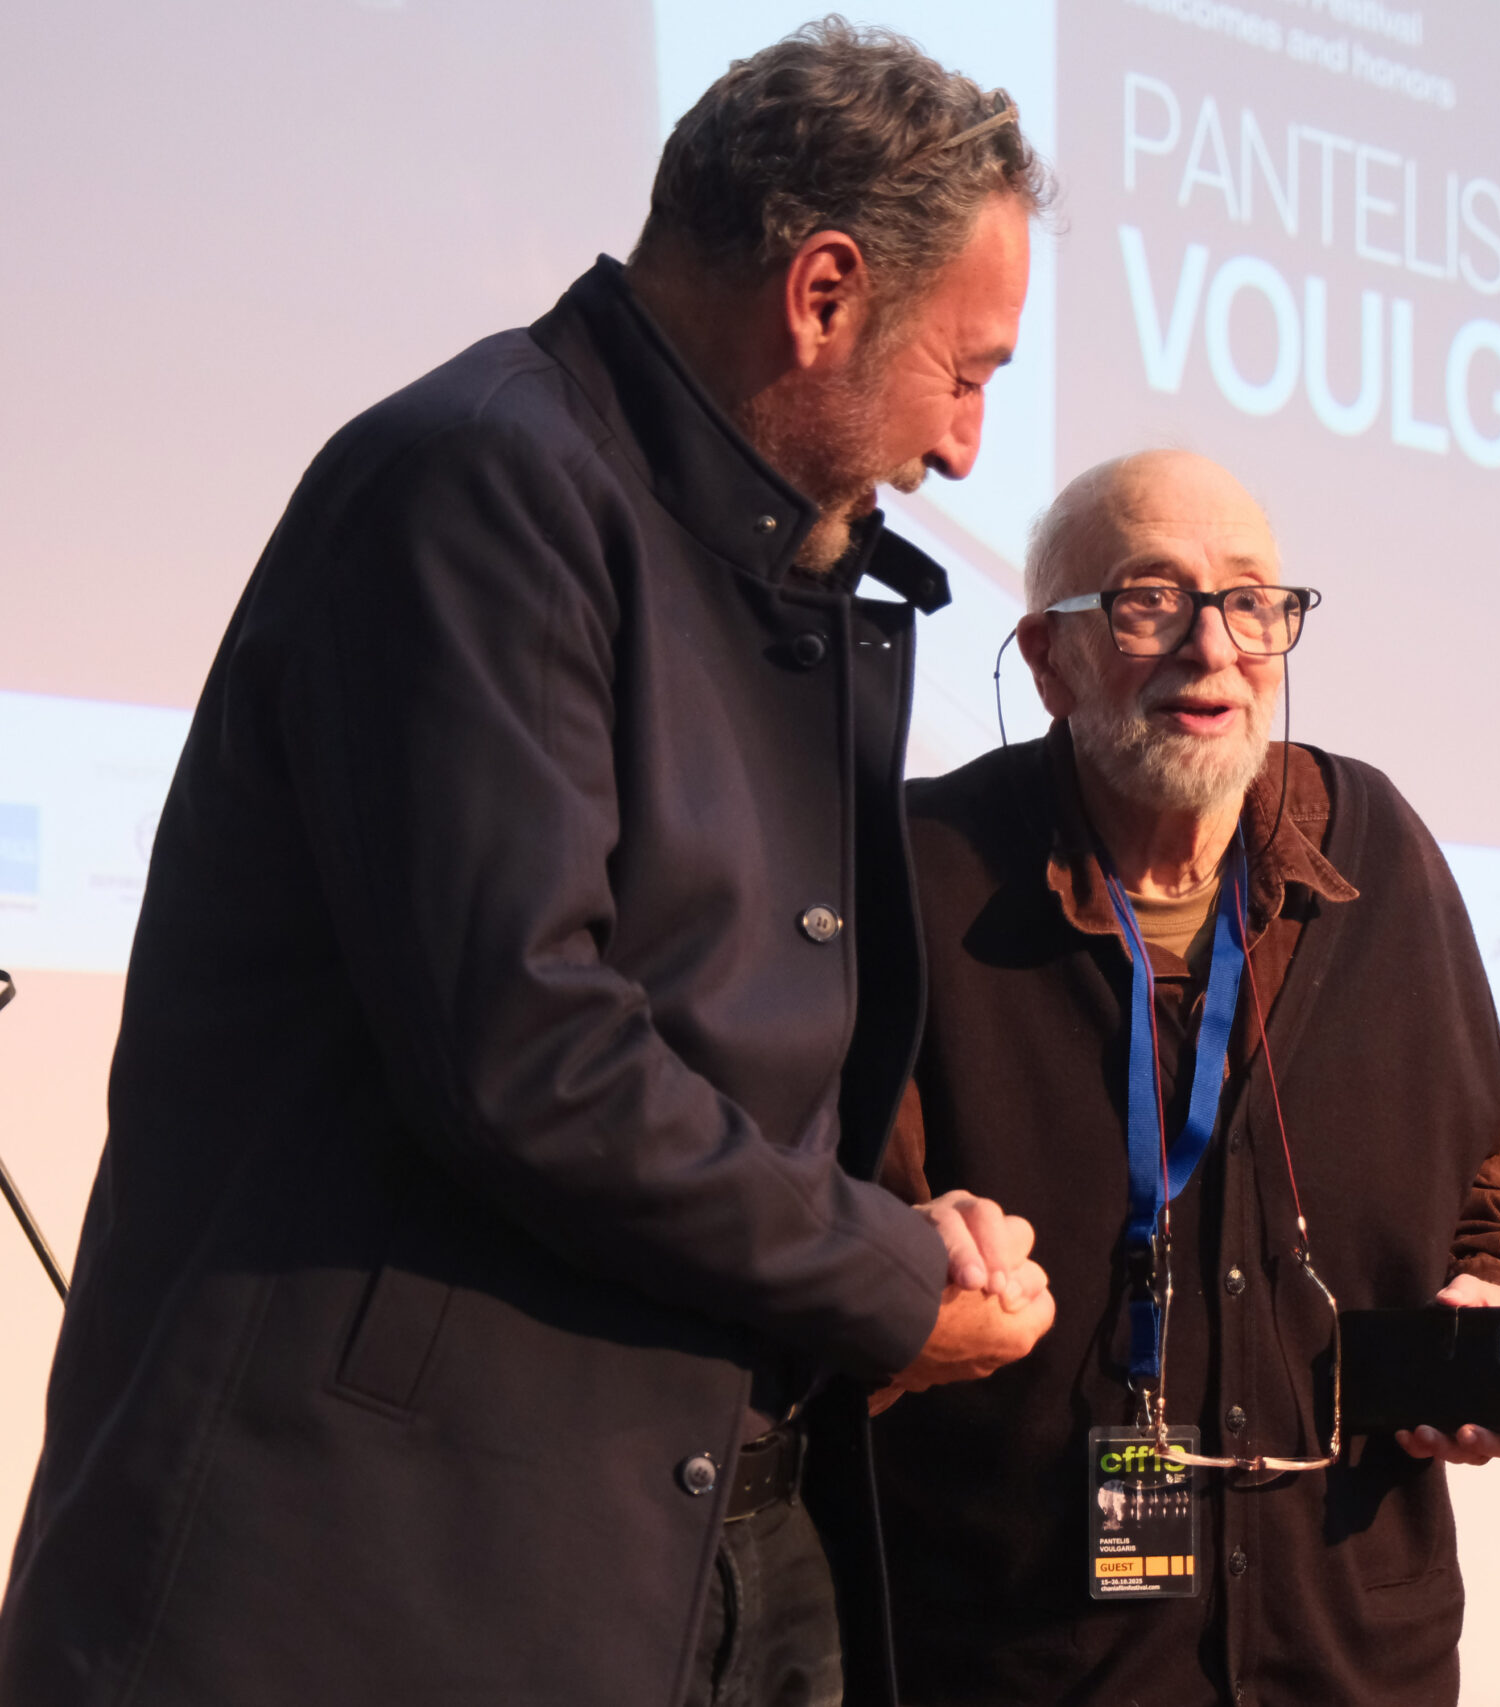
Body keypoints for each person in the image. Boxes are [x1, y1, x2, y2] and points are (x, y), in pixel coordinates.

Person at [0, 24, 1058, 1707]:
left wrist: (889, 1236)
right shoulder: (483, 482)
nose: (968, 448)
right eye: (970, 370)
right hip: (373, 1584)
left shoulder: (722, 550)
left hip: (662, 1542)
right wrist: (875, 1274)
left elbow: (701, 1045)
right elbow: (532, 1048)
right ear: (824, 293)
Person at [849, 448, 1500, 1707]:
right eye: (1150, 601)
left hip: (1351, 1660)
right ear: (1049, 658)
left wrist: (1483, 1289)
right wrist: (907, 1250)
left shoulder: (1377, 848)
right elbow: (820, 1226)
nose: (1213, 648)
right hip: (1028, 1660)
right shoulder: (919, 872)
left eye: (1251, 601)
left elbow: (1489, 1163)